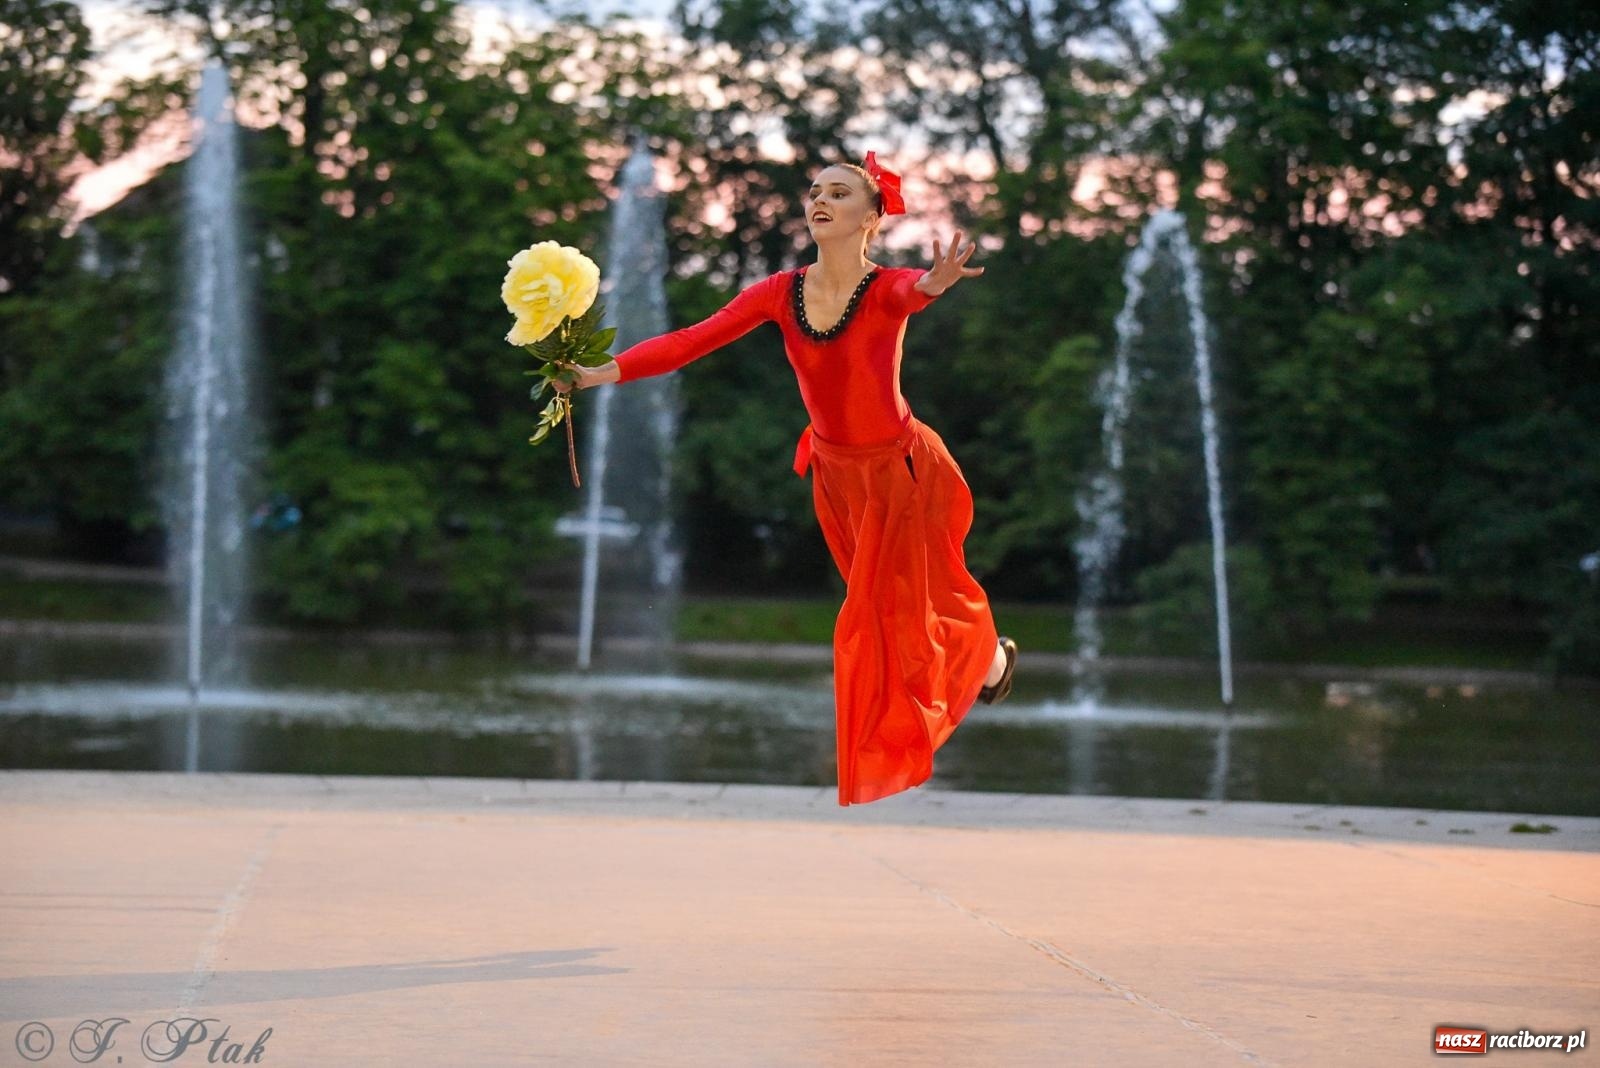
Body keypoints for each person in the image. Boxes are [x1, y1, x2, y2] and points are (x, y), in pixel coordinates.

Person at [553, 151, 1018, 806]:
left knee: (901, 606)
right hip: (837, 475)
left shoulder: (886, 287)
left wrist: (935, 283)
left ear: (871, 217)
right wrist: (597, 373)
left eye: (839, 193)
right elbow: (690, 341)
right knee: (894, 609)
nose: (820, 200)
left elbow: (911, 293)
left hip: (901, 471)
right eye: (815, 191)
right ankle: (990, 661)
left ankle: (981, 668)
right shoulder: (778, 292)